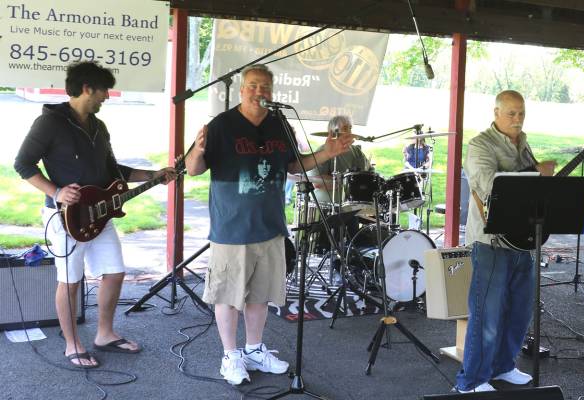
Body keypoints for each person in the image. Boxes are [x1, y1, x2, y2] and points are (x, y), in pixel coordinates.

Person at [184, 64, 353, 385]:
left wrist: (326, 152)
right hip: (232, 229)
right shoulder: (222, 125)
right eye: (252, 86)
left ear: (272, 92)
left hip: (271, 226)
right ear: (241, 89)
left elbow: (292, 166)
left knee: (260, 295)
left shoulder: (279, 123)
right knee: (228, 296)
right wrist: (197, 149)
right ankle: (230, 356)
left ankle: (254, 349)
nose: (259, 92)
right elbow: (193, 169)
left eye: (265, 87)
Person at [13, 61, 177, 368]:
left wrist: (154, 174)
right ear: (87, 88)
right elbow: (23, 165)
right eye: (104, 91)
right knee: (71, 280)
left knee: (114, 272)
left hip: (100, 215)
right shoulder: (49, 122)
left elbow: (115, 172)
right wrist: (57, 191)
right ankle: (72, 343)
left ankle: (104, 334)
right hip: (65, 218)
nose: (107, 97)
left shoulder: (99, 127)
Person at [456, 90, 556, 393]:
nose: (517, 119)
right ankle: (471, 381)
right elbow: (490, 186)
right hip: (490, 241)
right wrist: (534, 173)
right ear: (496, 112)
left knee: (519, 310)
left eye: (522, 113)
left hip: (522, 239)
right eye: (511, 113)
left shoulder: (522, 143)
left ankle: (502, 367)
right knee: (487, 314)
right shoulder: (480, 145)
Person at [308, 115, 371, 204]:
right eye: (345, 128)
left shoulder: (356, 151)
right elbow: (316, 182)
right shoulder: (323, 151)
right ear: (333, 132)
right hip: (327, 204)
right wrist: (343, 181)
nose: (349, 132)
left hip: (353, 203)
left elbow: (368, 174)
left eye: (350, 128)